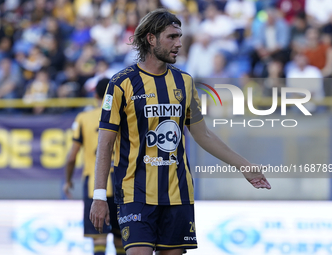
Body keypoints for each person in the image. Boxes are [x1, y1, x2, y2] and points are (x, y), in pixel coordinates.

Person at [90, 9, 271, 255]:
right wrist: (99, 196)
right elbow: (105, 145)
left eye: (180, 36)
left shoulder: (184, 82)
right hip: (135, 193)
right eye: (172, 37)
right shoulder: (121, 83)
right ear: (151, 39)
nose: (179, 43)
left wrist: (245, 166)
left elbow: (202, 134)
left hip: (178, 194)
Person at [63, 78, 126, 255]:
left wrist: (67, 181)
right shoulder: (123, 115)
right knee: (121, 238)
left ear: (95, 94)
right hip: (121, 183)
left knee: (99, 238)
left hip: (95, 183)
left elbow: (71, 157)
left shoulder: (84, 118)